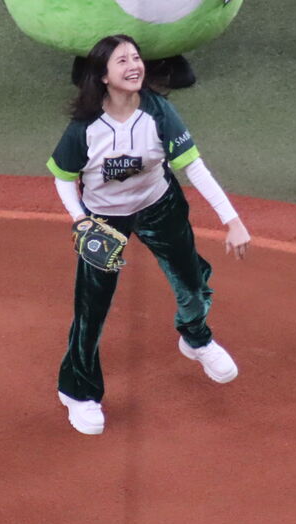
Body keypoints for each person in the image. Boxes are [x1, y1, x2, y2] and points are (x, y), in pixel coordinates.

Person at [47, 34, 251, 435]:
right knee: (91, 309)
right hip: (104, 219)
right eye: (122, 61)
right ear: (103, 76)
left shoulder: (158, 112)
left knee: (192, 282)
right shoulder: (86, 127)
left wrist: (233, 220)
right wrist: (81, 220)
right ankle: (78, 392)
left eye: (136, 58)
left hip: (160, 205)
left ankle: (196, 338)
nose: (133, 66)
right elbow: (63, 177)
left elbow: (194, 167)